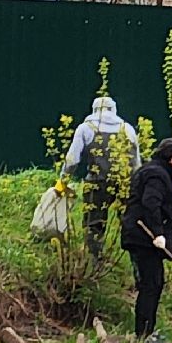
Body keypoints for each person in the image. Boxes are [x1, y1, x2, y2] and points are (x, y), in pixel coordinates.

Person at [119, 138, 172, 343]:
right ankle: (143, 335)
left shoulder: (151, 170)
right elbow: (150, 202)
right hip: (144, 237)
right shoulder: (157, 175)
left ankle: (147, 331)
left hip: (140, 236)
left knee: (153, 283)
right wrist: (158, 234)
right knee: (151, 285)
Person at [56, 96, 140, 254]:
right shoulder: (127, 129)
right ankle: (136, 261)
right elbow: (136, 163)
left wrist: (63, 181)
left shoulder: (86, 128)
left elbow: (72, 160)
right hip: (125, 183)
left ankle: (94, 262)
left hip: (97, 183)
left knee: (93, 225)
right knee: (131, 225)